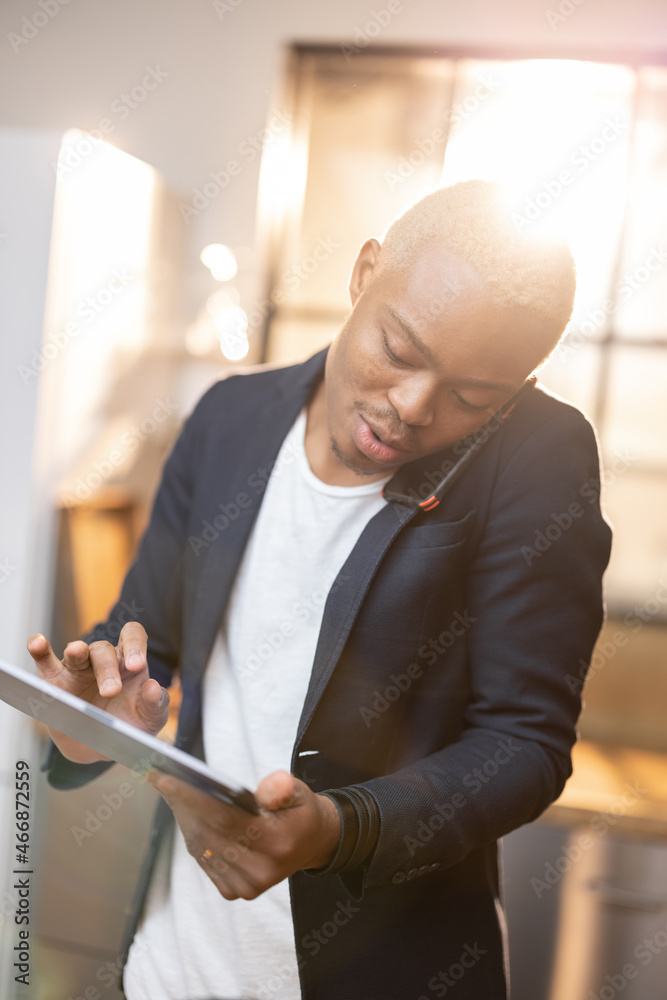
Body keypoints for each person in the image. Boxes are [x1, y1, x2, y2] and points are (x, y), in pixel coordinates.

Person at [28, 179, 612, 1000]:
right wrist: (94, 722)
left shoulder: (536, 458)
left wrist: (339, 829)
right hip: (171, 968)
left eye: (471, 397)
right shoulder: (230, 417)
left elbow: (524, 743)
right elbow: (142, 641)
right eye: (400, 351)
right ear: (364, 271)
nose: (411, 408)